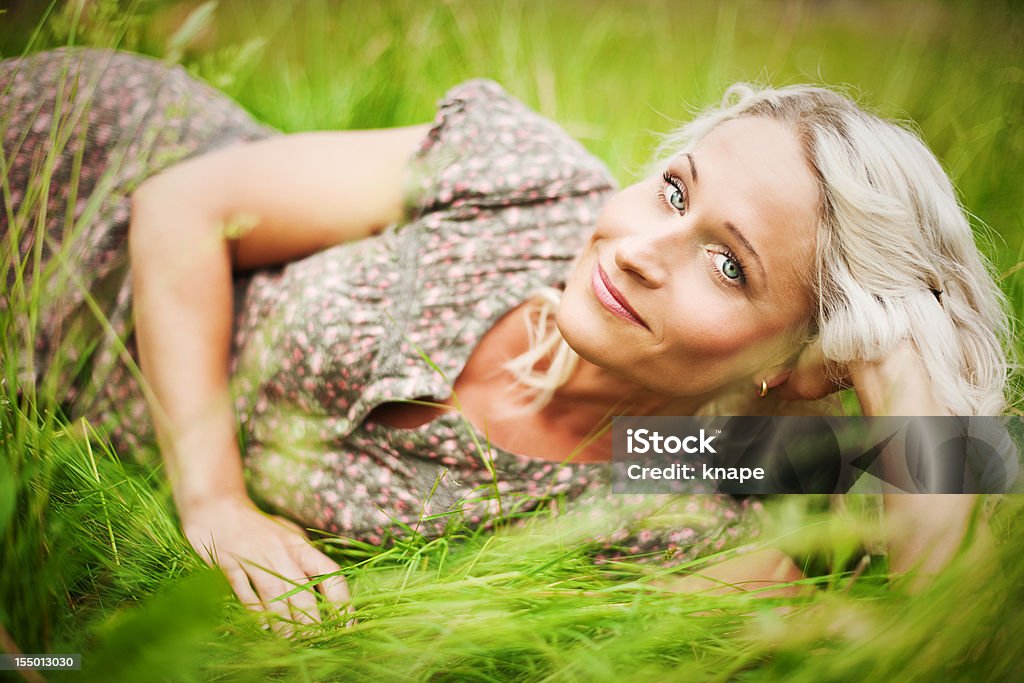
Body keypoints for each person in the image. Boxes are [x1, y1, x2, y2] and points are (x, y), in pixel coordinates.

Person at [1, 47, 1016, 629]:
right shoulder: (522, 174)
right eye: (673, 187)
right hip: (71, 171)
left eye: (729, 263)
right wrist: (215, 501)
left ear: (800, 367)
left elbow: (930, 640)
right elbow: (183, 201)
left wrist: (905, 352)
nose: (642, 248)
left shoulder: (673, 514)